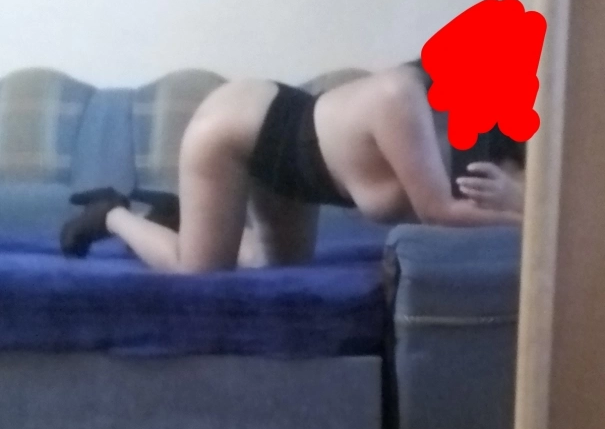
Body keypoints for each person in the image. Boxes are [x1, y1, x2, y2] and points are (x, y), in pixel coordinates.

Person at [60, 60, 522, 273]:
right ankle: (112, 212)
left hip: (298, 162)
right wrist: (529, 218)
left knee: (272, 265)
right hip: (238, 129)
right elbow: (439, 213)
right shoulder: (400, 98)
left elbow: (521, 193)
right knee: (198, 272)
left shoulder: (471, 136)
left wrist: (520, 200)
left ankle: (182, 218)